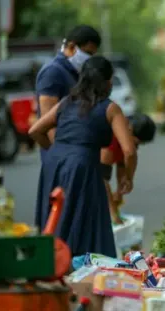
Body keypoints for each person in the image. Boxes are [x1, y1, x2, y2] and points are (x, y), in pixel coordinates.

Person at [29, 56, 137, 258]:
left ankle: (51, 265)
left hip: (54, 164)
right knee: (83, 220)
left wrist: (55, 151)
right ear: (107, 82)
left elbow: (35, 130)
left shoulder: (65, 103)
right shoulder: (110, 108)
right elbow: (129, 150)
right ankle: (81, 268)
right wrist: (127, 178)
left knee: (56, 218)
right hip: (83, 165)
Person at [35, 25, 101, 161]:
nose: (90, 59)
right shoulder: (53, 72)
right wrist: (62, 156)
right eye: (88, 53)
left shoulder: (77, 73)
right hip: (63, 158)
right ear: (71, 47)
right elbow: (48, 123)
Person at [101, 114, 156, 224]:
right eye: (135, 143)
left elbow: (121, 165)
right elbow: (101, 178)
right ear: (129, 129)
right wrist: (113, 213)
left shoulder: (125, 144)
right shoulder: (111, 137)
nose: (135, 148)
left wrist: (119, 193)